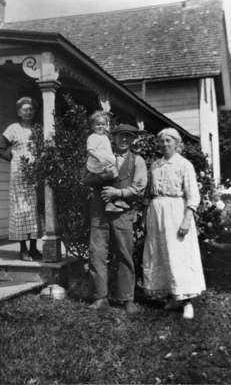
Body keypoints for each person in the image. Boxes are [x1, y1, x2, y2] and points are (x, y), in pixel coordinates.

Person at [142, 128, 206, 319]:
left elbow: (193, 195)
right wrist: (147, 216)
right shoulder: (155, 165)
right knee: (161, 253)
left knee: (179, 255)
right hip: (157, 212)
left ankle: (187, 302)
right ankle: (171, 295)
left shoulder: (184, 165)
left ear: (177, 143)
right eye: (161, 141)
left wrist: (187, 219)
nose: (165, 144)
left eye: (169, 140)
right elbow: (149, 193)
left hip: (176, 212)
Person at [85, 123, 148, 313]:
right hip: (99, 211)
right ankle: (100, 297)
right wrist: (102, 177)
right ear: (113, 138)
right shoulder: (101, 155)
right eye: (120, 136)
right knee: (97, 254)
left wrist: (118, 193)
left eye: (128, 136)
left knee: (124, 254)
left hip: (123, 212)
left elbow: (139, 188)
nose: (124, 140)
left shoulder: (137, 161)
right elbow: (86, 178)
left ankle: (127, 298)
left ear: (133, 139)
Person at [0, 97, 42, 261]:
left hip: (34, 173)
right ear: (19, 112)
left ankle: (34, 248)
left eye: (31, 109)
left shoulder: (37, 129)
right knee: (21, 210)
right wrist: (14, 158)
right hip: (19, 175)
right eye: (25, 109)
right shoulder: (13, 128)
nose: (28, 112)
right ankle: (23, 249)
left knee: (33, 211)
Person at [85, 110, 130, 212]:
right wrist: (100, 158)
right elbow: (90, 150)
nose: (101, 127)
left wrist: (112, 158)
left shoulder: (105, 137)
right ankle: (110, 202)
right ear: (92, 126)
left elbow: (107, 150)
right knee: (111, 177)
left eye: (103, 124)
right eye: (98, 124)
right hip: (98, 163)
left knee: (113, 179)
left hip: (105, 162)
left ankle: (115, 200)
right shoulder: (93, 137)